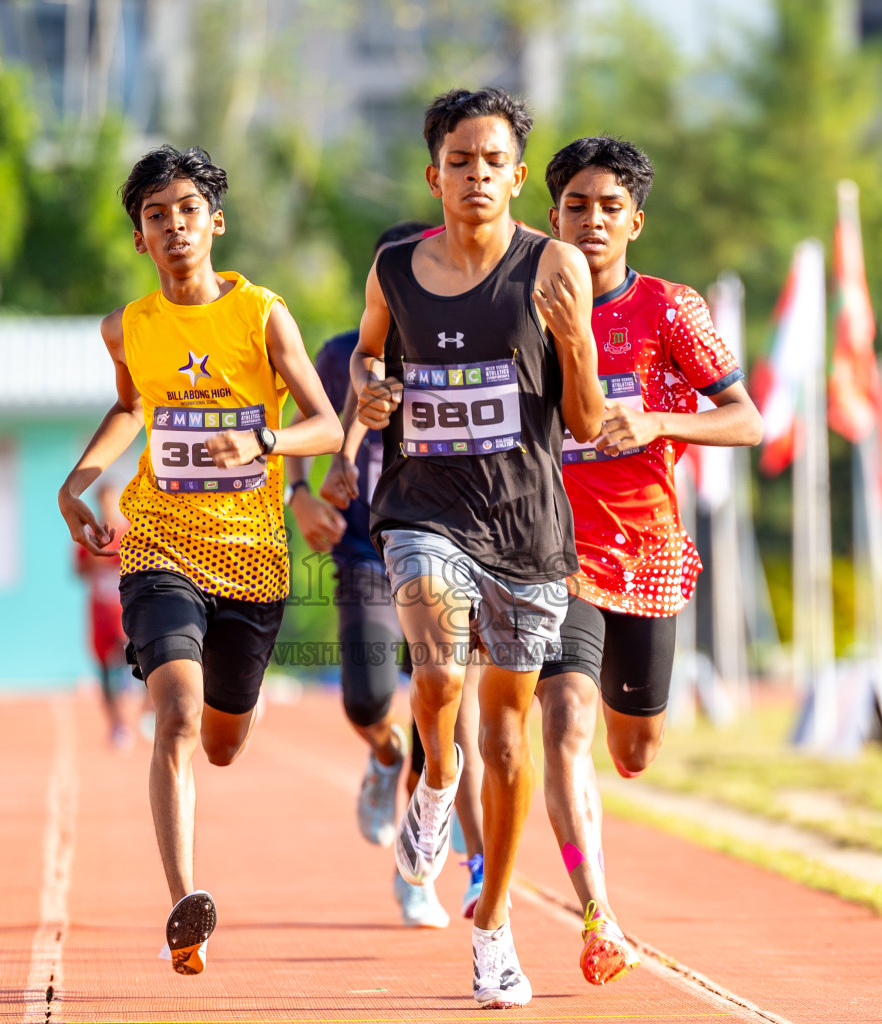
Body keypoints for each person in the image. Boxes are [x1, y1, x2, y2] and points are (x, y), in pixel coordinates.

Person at [57, 145, 342, 978]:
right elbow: (129, 404)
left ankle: (234, 711)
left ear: (215, 222)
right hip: (159, 545)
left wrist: (263, 437)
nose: (174, 226)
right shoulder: (129, 327)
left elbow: (324, 426)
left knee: (220, 742)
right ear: (140, 238)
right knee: (175, 714)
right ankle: (185, 904)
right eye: (156, 216)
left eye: (187, 210)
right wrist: (80, 480)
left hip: (252, 559)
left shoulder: (261, 315)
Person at [351, 87, 605, 1009]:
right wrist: (372, 391)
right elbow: (369, 357)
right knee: (437, 679)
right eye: (460, 159)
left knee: (508, 740)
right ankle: (432, 780)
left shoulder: (558, 267)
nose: (477, 174)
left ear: (518, 174)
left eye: (494, 160)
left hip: (528, 529)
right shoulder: (394, 269)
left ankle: (492, 926)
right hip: (423, 508)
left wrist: (574, 341)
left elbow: (580, 421)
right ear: (435, 173)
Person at [536, 135, 763, 984]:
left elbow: (747, 421)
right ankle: (600, 916)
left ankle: (618, 764)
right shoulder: (524, 308)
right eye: (575, 207)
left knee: (634, 751)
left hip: (649, 554)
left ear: (636, 219)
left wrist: (662, 422)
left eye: (608, 208)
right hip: (553, 556)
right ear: (550, 217)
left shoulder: (670, 310)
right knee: (564, 728)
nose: (592, 222)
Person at [286, 221, 487, 929]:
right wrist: (300, 493)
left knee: (444, 714)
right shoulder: (344, 352)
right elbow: (305, 427)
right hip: (368, 549)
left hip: (449, 549)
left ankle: (419, 875)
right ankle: (382, 750)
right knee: (370, 701)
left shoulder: (466, 343)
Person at [73, 485, 139, 751]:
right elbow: (79, 572)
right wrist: (95, 560)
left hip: (127, 615)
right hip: (99, 614)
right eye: (103, 502)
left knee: (129, 667)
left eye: (112, 501)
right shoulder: (88, 536)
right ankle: (117, 725)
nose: (107, 506)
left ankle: (138, 716)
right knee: (104, 674)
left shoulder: (131, 534)